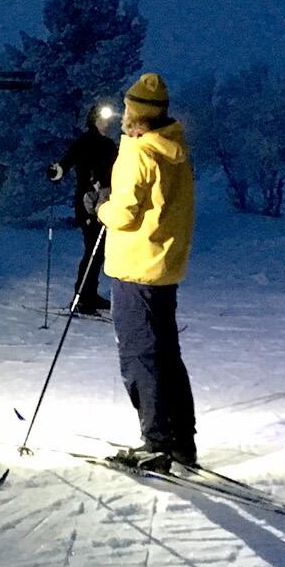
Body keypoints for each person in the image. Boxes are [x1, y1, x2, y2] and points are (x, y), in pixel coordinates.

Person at [96, 73, 198, 472]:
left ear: (137, 116)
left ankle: (156, 441)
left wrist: (99, 206)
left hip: (135, 267)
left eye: (126, 110)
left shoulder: (139, 153)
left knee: (140, 354)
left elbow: (123, 214)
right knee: (167, 355)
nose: (122, 116)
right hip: (164, 265)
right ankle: (181, 440)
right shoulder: (176, 149)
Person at [49, 104, 119, 314]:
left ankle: (89, 295)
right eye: (102, 120)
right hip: (88, 204)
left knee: (98, 252)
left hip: (105, 203)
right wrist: (57, 171)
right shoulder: (85, 143)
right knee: (93, 250)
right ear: (93, 121)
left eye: (107, 120)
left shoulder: (108, 144)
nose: (106, 124)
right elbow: (67, 162)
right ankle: (81, 298)